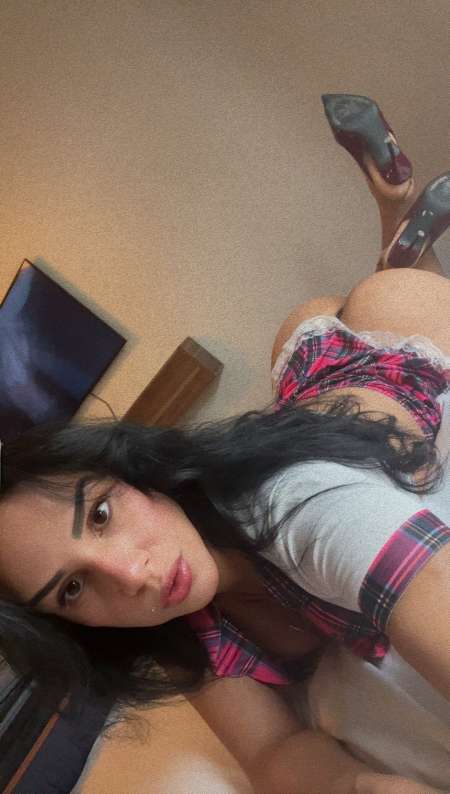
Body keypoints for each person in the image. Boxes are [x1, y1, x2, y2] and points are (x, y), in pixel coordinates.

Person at [0, 94, 449, 793]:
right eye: (74, 587)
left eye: (101, 514)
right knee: (349, 319)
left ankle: (398, 228)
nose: (131, 574)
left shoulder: (289, 501)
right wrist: (361, 786)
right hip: (305, 398)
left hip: (384, 369)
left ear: (132, 474)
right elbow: (273, 751)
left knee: (395, 293)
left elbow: (423, 583)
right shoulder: (176, 632)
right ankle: (399, 225)